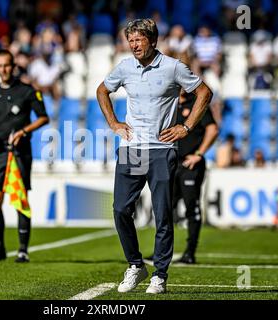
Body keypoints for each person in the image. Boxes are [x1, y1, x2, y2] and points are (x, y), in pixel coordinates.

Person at [96, 19, 212, 294]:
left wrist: (186, 127)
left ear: (152, 40)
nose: (133, 45)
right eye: (131, 40)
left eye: (138, 40)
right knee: (120, 209)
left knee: (162, 213)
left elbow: (204, 92)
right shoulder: (124, 67)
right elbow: (102, 90)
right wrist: (113, 123)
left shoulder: (173, 67)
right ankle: (136, 265)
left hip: (162, 150)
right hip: (132, 148)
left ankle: (160, 273)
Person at [0, 49, 49, 263]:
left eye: (7, 65)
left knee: (21, 200)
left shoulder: (27, 91)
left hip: (20, 152)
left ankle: (23, 250)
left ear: (13, 65)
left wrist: (24, 131)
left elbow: (44, 118)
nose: (4, 69)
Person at [171, 90, 218, 264]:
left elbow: (212, 129)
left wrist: (199, 153)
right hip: (172, 163)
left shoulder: (198, 103)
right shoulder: (170, 103)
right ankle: (161, 251)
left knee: (192, 207)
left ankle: (190, 252)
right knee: (165, 208)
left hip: (191, 164)